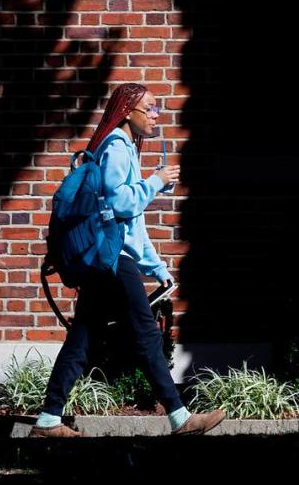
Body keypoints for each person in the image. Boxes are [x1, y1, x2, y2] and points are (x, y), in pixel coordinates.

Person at [29, 82, 226, 437]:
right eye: (149, 108)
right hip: (113, 260)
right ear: (127, 111)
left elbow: (131, 223)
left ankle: (47, 420)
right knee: (147, 334)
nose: (155, 115)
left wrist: (156, 266)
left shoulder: (120, 148)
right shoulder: (118, 147)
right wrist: (154, 181)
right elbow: (121, 206)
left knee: (84, 337)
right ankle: (180, 418)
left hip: (108, 257)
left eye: (156, 108)